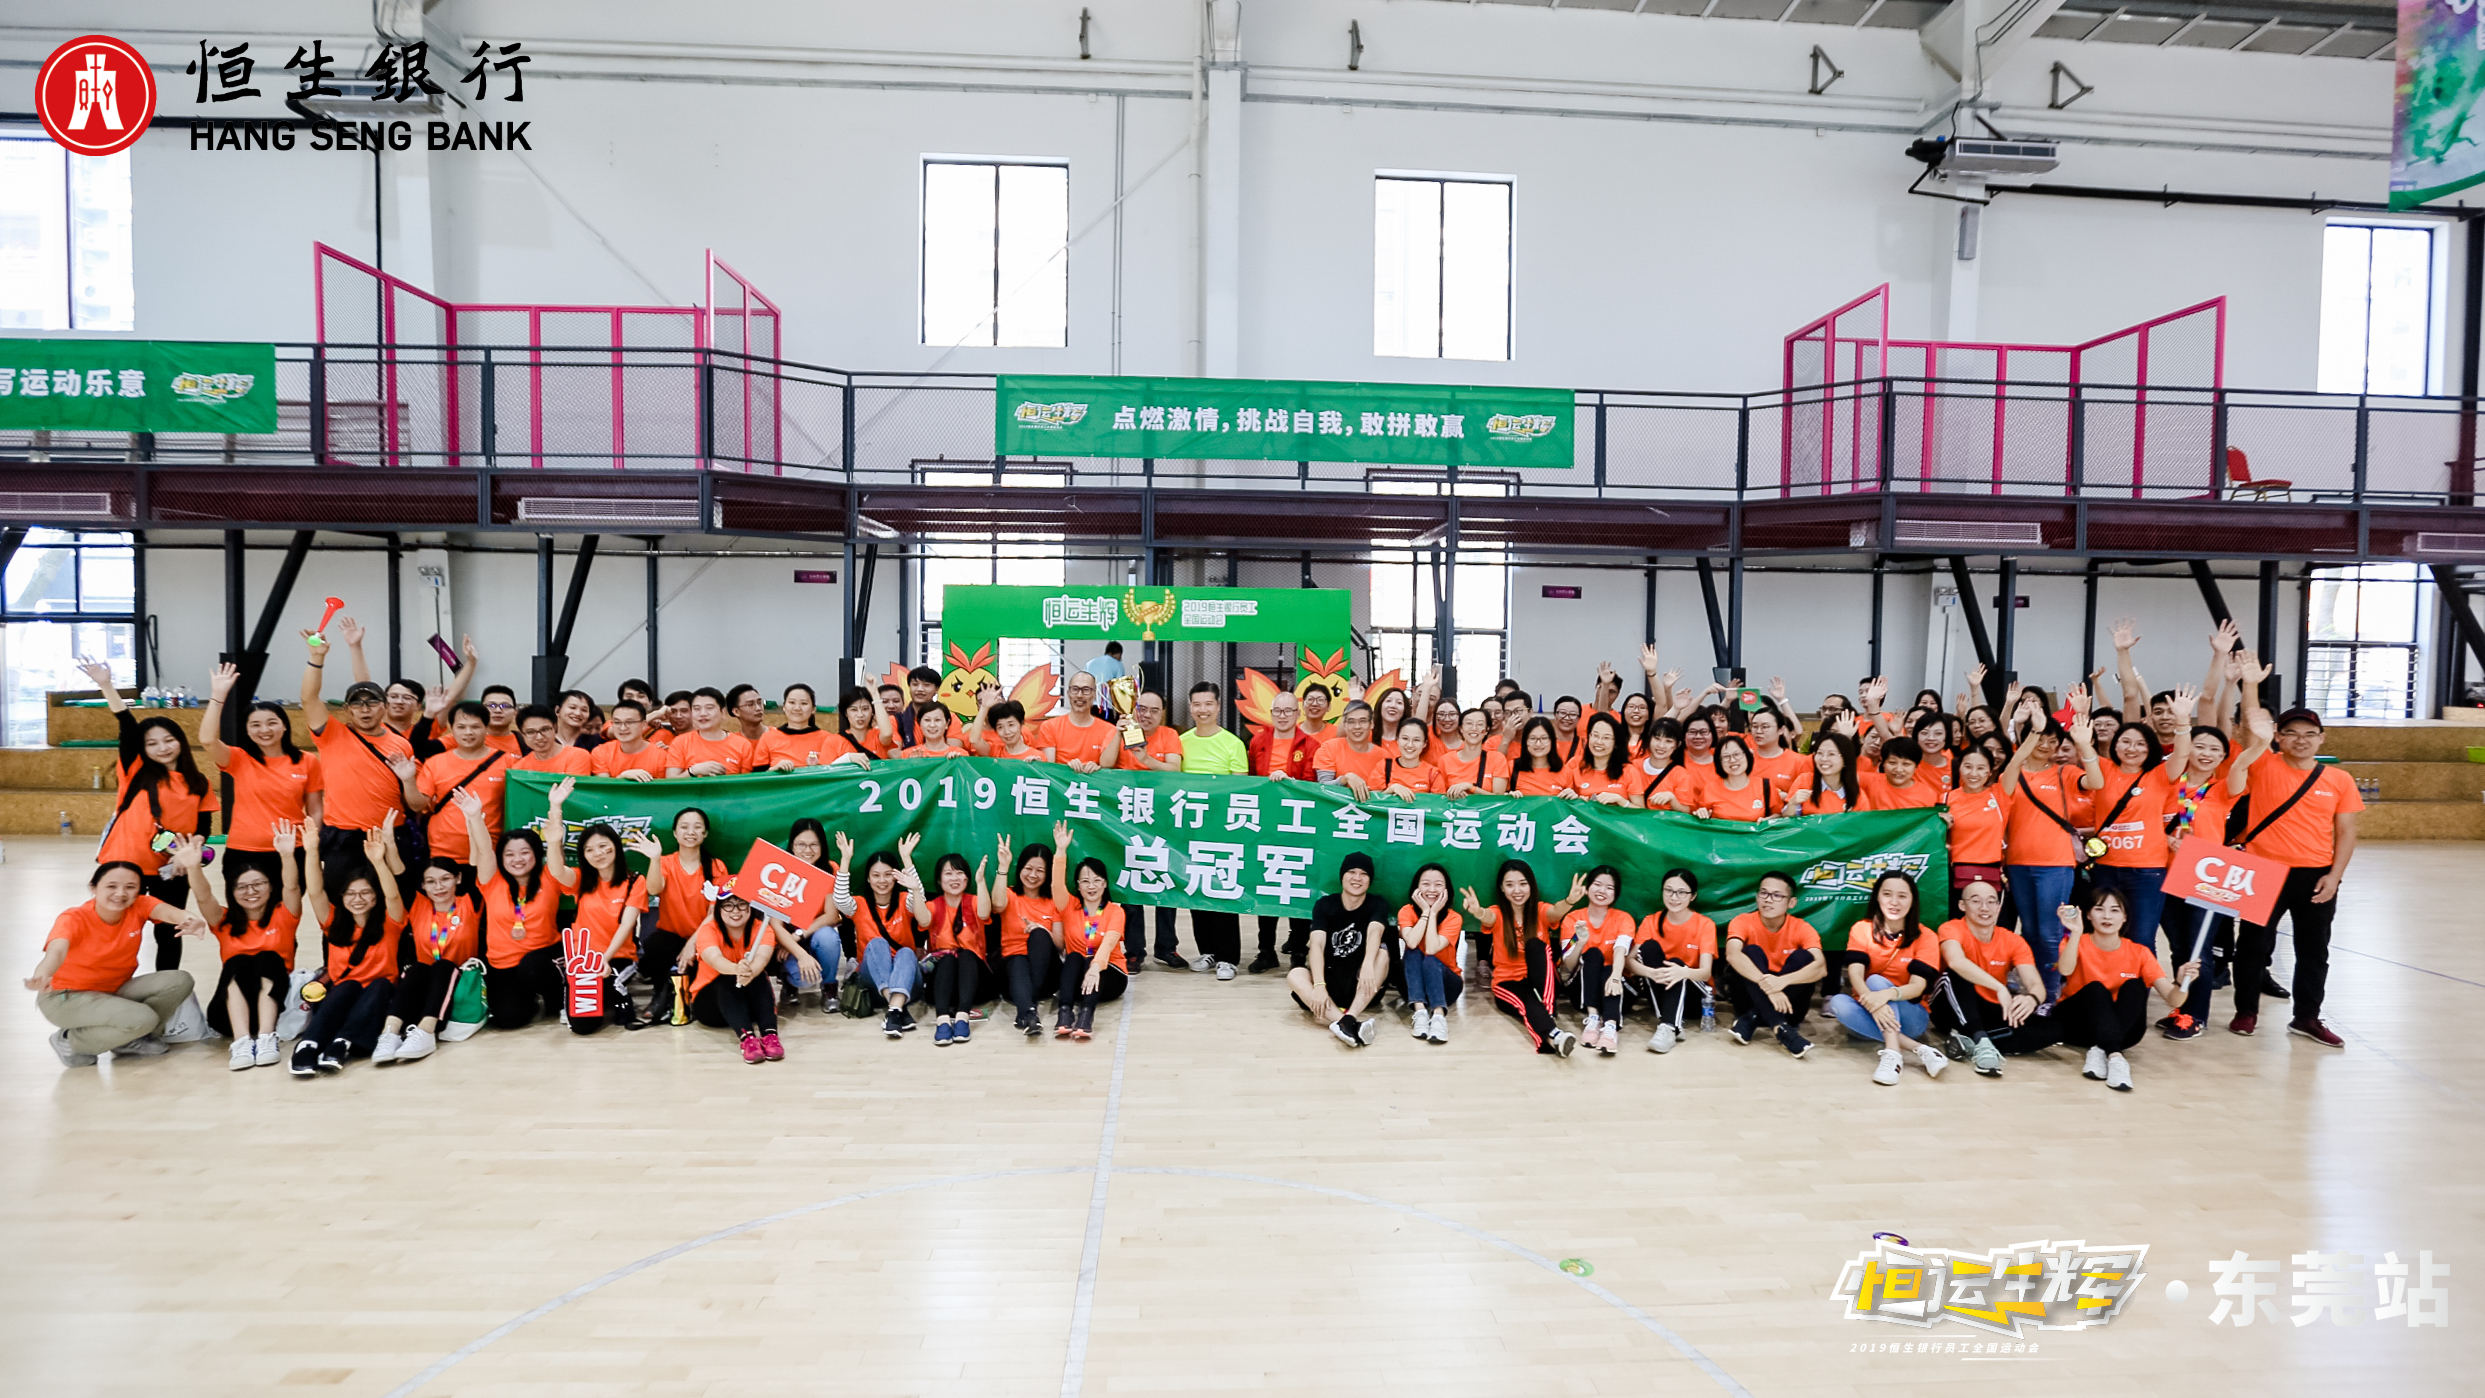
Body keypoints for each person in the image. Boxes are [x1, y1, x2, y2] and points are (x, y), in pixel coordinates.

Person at [2223, 699, 2361, 1046]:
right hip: (2262, 870)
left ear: (2321, 738)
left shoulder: (2340, 780)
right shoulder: (2262, 764)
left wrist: (2334, 876)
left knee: (2314, 950)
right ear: (2278, 737)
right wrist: (2249, 685)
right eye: (2292, 733)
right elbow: (2248, 734)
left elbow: (2346, 832)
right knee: (2252, 946)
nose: (2301, 740)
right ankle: (2246, 1011)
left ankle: (2307, 1017)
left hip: (2314, 875)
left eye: (2310, 734)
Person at [78, 658, 219, 971]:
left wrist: (189, 853)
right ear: (143, 749)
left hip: (172, 869)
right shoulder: (135, 770)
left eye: (169, 740)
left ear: (180, 742)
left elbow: (204, 824)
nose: (162, 748)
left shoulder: (198, 782)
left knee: (169, 931)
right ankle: (104, 983)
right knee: (116, 928)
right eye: (152, 743)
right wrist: (106, 685)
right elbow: (127, 727)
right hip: (125, 864)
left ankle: (167, 986)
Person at [27, 861, 210, 1066]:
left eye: (130, 887)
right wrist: (43, 974)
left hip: (112, 989)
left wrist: (191, 919)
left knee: (179, 980)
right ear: (93, 887)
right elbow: (57, 951)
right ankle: (71, 1041)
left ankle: (130, 1039)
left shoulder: (139, 905)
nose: (121, 893)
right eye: (111, 886)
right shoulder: (73, 918)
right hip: (66, 997)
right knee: (143, 1018)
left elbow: (170, 913)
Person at [299, 625, 423, 889]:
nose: (365, 709)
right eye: (357, 703)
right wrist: (316, 658)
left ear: (385, 707)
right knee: (342, 902)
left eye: (372, 702)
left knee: (394, 903)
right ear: (347, 709)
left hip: (390, 836)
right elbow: (309, 698)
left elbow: (414, 802)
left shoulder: (401, 744)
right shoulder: (331, 734)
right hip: (342, 837)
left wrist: (409, 781)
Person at [1997, 700, 2104, 994]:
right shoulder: (2011, 773)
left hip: (2055, 865)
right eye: (2040, 738)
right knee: (2030, 931)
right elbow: (2006, 788)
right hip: (2018, 864)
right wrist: (2031, 731)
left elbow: (2095, 781)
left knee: (2049, 932)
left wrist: (2085, 746)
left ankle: (2050, 992)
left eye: (2052, 740)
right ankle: (2035, 988)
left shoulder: (2064, 773)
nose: (2046, 745)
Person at [174, 827, 300, 1069]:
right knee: (237, 962)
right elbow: (204, 897)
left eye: (258, 884)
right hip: (228, 1015)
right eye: (241, 887)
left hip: (278, 1005)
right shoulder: (224, 920)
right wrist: (193, 867)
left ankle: (266, 1039)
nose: (250, 892)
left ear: (271, 887)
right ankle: (241, 1043)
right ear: (232, 892)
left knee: (268, 958)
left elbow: (292, 887)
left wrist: (286, 855)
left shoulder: (283, 915)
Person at [200, 661, 325, 904]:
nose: (264, 730)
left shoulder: (307, 761)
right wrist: (217, 696)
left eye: (271, 722)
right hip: (244, 852)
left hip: (292, 851)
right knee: (245, 916)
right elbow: (207, 740)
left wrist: (312, 846)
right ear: (247, 731)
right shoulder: (238, 758)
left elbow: (315, 810)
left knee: (285, 916)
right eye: (255, 725)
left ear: (284, 726)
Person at [2048, 891, 2199, 1091]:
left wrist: (2181, 982)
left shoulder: (2139, 952)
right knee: (2096, 989)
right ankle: (2115, 1056)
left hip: (2122, 1031)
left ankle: (2101, 1050)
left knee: (2135, 986)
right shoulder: (2077, 941)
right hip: (2077, 1024)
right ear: (2089, 914)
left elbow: (2174, 1000)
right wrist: (2075, 931)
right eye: (2099, 909)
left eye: (2114, 910)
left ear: (2125, 917)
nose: (2107, 916)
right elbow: (2066, 970)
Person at [289, 821, 407, 1075]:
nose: (358, 899)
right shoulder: (334, 923)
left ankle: (342, 1043)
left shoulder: (390, 923)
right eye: (351, 894)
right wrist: (312, 851)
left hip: (376, 1002)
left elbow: (394, 896)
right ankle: (308, 1045)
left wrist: (378, 862)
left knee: (380, 984)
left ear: (375, 897)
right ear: (342, 898)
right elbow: (316, 892)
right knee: (348, 986)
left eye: (365, 893)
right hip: (340, 1000)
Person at [542, 781, 659, 1034]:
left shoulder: (634, 881)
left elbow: (626, 925)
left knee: (612, 989)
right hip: (583, 961)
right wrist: (555, 818)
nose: (599, 853)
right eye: (590, 849)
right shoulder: (580, 880)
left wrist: (603, 961)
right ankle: (589, 997)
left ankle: (616, 996)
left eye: (604, 846)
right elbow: (556, 871)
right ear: (583, 855)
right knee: (583, 1026)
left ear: (616, 846)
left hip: (617, 957)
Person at [2089, 685, 2197, 957]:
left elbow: (2182, 753)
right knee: (2104, 936)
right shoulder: (2103, 768)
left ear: (2151, 749)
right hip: (2105, 868)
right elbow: (2084, 748)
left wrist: (2183, 720)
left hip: (2147, 872)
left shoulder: (2161, 774)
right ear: (2114, 744)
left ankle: (2137, 986)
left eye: (2140, 743)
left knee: (2141, 938)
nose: (2132, 748)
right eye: (2125, 741)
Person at [453, 786, 564, 1031]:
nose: (518, 859)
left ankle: (556, 995)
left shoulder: (550, 876)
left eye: (525, 852)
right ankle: (529, 1000)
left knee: (533, 968)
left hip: (542, 958)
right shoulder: (492, 881)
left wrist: (555, 807)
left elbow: (556, 843)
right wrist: (474, 817)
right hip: (504, 964)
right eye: (510, 854)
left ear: (537, 854)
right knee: (508, 1020)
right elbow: (484, 850)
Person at [1825, 872, 1950, 1085]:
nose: (1894, 902)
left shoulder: (1926, 936)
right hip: (1867, 1016)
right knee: (1838, 1002)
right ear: (1877, 897)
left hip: (1911, 1018)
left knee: (1876, 981)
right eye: (1887, 894)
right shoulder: (1861, 929)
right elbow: (1855, 974)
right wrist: (1873, 1004)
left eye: (1902, 896)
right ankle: (1920, 1049)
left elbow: (1918, 986)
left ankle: (1892, 1055)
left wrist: (1885, 995)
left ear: (1912, 900)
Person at [2155, 722, 2235, 1040]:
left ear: (2223, 757)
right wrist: (2165, 839)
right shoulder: (2167, 783)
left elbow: (2245, 763)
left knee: (2198, 949)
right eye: (2200, 746)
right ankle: (2181, 1008)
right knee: (2178, 947)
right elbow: (2147, 821)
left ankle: (2196, 1016)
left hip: (2205, 879)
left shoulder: (2224, 789)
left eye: (2215, 749)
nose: (2206, 753)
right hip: (2165, 874)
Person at [1464, 860, 1585, 1057]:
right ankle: (1554, 1035)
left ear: (1531, 885)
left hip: (1541, 981)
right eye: (1510, 885)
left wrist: (1570, 901)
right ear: (1502, 888)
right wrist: (1477, 911)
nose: (1517, 890)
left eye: (1522, 883)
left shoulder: (1540, 910)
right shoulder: (1498, 913)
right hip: (1509, 982)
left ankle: (1549, 1018)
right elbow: (1487, 917)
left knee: (1536, 945)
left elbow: (1555, 912)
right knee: (1527, 1000)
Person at [1929, 879, 2045, 1075]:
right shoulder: (1951, 928)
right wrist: (1999, 987)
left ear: (1999, 907)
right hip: (1949, 1005)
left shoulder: (2013, 940)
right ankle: (1982, 1042)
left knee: (2053, 1028)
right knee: (1956, 975)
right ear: (1962, 905)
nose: (1985, 908)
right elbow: (1956, 962)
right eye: (1976, 901)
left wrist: (2032, 999)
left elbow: (2036, 984)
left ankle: (1971, 1041)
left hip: (1987, 1009)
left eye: (1991, 901)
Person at [378, 853, 482, 1064]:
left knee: (443, 966)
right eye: (431, 881)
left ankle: (427, 1031)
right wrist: (383, 852)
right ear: (423, 885)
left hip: (460, 986)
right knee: (417, 968)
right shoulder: (419, 905)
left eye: (445, 879)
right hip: (425, 988)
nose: (439, 887)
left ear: (458, 878)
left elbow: (480, 861)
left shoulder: (469, 902)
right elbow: (399, 879)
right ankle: (390, 1033)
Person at [1179, 682, 1249, 979]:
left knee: (1223, 890)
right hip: (1191, 829)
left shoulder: (1233, 744)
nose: (1202, 710)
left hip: (1222, 831)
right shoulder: (1181, 742)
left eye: (1208, 704)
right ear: (1190, 706)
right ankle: (1207, 950)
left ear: (1218, 706)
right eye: (1197, 704)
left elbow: (1241, 790)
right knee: (1196, 888)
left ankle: (1228, 958)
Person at [1115, 691, 1188, 969]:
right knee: (1130, 884)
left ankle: (1167, 948)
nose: (1146, 715)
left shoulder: (1169, 735)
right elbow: (1106, 764)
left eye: (1154, 710)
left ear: (1162, 714)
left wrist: (1147, 759)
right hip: (1126, 819)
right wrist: (1117, 733)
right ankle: (1134, 951)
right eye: (1141, 709)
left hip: (1162, 819)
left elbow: (1175, 769)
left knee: (1166, 881)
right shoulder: (1123, 732)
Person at [1289, 851, 1392, 1047]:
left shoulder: (1377, 904)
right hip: (1328, 983)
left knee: (1382, 955)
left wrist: (1368, 964)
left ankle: (1346, 1017)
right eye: (1351, 872)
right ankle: (1347, 1023)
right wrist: (1319, 984)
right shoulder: (1325, 905)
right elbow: (1317, 944)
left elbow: (1375, 932)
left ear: (1370, 880)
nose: (1357, 878)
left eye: (1363, 874)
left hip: (1362, 984)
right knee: (1295, 974)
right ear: (1342, 876)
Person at [1246, 689, 1317, 974]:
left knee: (1297, 888)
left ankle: (1299, 951)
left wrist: (1289, 783)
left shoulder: (1309, 744)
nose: (1283, 716)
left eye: (1288, 711)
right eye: (1278, 711)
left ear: (1298, 714)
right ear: (1271, 713)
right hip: (1265, 826)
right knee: (1266, 887)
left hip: (1297, 827)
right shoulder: (1258, 741)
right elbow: (1251, 779)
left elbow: (1312, 785)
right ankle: (1266, 951)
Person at [1720, 871, 1823, 1057]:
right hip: (1749, 999)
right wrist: (1770, 988)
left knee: (1804, 957)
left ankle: (1753, 1017)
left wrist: (1782, 982)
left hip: (1788, 1007)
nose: (1768, 899)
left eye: (1777, 895)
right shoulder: (1742, 921)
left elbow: (1820, 967)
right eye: (1763, 893)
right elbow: (1732, 955)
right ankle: (1781, 1028)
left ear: (1791, 902)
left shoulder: (1802, 928)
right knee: (1751, 952)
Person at [836, 831, 925, 1038]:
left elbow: (918, 896)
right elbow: (840, 900)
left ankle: (894, 1009)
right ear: (868, 879)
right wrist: (845, 860)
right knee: (876, 944)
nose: (882, 880)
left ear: (896, 877)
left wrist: (907, 859)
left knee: (906, 952)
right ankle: (896, 1008)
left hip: (908, 982)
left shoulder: (904, 901)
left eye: (888, 874)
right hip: (875, 986)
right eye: (876, 875)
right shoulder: (859, 905)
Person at [1049, 819, 1131, 1039]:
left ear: (1105, 884)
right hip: (1078, 977)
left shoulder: (1115, 911)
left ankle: (1086, 1016)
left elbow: (1109, 943)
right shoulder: (1069, 906)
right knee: (1075, 957)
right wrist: (1060, 851)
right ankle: (1065, 1013)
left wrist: (1095, 967)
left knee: (1092, 962)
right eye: (1085, 881)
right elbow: (1056, 885)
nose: (1091, 886)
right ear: (1078, 886)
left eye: (1097, 880)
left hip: (1109, 975)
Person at [646, 808, 727, 1025]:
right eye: (684, 827)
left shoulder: (717, 866)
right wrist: (654, 859)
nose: (691, 832)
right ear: (675, 833)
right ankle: (660, 995)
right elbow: (653, 889)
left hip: (704, 939)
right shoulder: (666, 863)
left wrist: (693, 944)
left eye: (697, 827)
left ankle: (688, 997)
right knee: (655, 945)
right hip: (670, 938)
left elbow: (715, 912)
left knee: (707, 1002)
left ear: (705, 833)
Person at [1626, 868, 1716, 1054]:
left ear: (1693, 896)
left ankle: (1668, 1025)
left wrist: (1683, 972)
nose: (1674, 897)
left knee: (1676, 963)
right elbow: (1629, 961)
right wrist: (1651, 973)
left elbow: (1705, 972)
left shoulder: (1705, 924)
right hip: (1659, 990)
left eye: (1682, 892)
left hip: (1693, 997)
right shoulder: (1651, 921)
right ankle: (1673, 1023)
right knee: (1649, 947)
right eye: (1669, 890)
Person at [688, 888, 782, 1063]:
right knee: (727, 977)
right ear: (719, 908)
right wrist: (737, 969)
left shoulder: (762, 928)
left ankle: (770, 1035)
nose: (736, 911)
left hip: (748, 1005)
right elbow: (715, 960)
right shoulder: (708, 930)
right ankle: (747, 1038)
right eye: (728, 906)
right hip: (711, 1007)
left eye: (741, 905)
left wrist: (750, 972)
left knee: (760, 976)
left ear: (750, 907)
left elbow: (762, 958)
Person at [414, 701, 507, 872]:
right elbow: (417, 805)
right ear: (451, 728)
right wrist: (407, 779)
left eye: (475, 727)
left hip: (489, 853)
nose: (468, 732)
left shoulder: (508, 762)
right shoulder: (435, 763)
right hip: (443, 853)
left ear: (486, 728)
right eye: (461, 727)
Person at [914, 851, 992, 1046]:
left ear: (967, 878)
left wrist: (981, 881)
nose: (954, 878)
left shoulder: (974, 901)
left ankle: (962, 1019)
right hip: (943, 986)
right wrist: (915, 889)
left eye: (959, 873)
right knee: (948, 958)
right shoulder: (933, 906)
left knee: (965, 954)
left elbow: (984, 913)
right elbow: (923, 920)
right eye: (948, 873)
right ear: (939, 880)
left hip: (976, 985)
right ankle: (942, 1022)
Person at [1557, 865, 1635, 1055]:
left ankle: (1610, 1027)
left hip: (1616, 990)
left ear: (1616, 893)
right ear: (1587, 888)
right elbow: (1568, 964)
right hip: (1582, 994)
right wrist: (1580, 942)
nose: (1602, 891)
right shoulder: (1572, 919)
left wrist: (1615, 976)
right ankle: (1592, 1020)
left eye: (1609, 887)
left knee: (1609, 969)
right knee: (1593, 954)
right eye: (1597, 884)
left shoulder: (1624, 919)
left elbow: (1620, 951)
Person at [992, 835, 1064, 1037]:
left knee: (1039, 935)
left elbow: (1060, 945)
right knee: (1017, 960)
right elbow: (997, 905)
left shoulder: (1053, 902)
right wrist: (1003, 865)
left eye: (1040, 870)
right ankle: (1029, 1012)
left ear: (1047, 874)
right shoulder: (1010, 895)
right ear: (1020, 869)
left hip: (1046, 978)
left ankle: (1026, 1009)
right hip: (1012, 978)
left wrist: (1041, 929)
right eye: (1028, 868)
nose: (1033, 875)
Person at [773, 818, 843, 1006]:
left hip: (811, 933)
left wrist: (798, 935)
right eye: (801, 844)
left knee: (828, 937)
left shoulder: (831, 869)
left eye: (814, 844)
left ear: (822, 846)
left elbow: (831, 916)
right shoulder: (780, 870)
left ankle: (829, 987)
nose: (808, 850)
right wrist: (797, 951)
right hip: (785, 938)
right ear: (792, 846)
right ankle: (788, 981)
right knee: (805, 978)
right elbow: (775, 925)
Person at [1397, 862, 1462, 1044]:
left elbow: (1432, 949)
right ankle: (1420, 1013)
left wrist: (1433, 914)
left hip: (1447, 984)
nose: (1432, 890)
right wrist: (1426, 912)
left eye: (1438, 884)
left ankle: (1439, 1016)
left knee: (1429, 959)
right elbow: (1411, 941)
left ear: (1447, 890)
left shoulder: (1454, 918)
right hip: (1415, 984)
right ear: (1416, 888)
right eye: (1425, 884)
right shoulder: (1406, 911)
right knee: (1412, 952)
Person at [1941, 747, 2008, 917]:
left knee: (1987, 922)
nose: (1973, 773)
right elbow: (1937, 840)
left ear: (1990, 771)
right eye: (1968, 766)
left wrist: (2035, 733)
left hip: (1991, 872)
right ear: (1959, 767)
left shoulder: (1999, 794)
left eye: (1981, 768)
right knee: (1957, 924)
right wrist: (1941, 827)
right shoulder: (1946, 799)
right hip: (1956, 875)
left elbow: (2017, 762)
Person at [757, 683, 855, 770]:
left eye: (803, 703)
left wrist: (819, 768)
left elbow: (845, 772)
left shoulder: (830, 740)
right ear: (784, 707)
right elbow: (756, 778)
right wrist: (773, 770)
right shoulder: (768, 738)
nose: (797, 708)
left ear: (813, 709)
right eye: (792, 702)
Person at [1042, 670, 1123, 771]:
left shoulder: (1110, 731)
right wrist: (1067, 769)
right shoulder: (1049, 727)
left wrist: (1099, 770)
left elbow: (1110, 769)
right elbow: (1048, 770)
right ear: (1068, 693)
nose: (1079, 695)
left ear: (1094, 695)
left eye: (1086, 690)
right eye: (1075, 689)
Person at [671, 687, 755, 775]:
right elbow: (671, 781)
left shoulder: (742, 745)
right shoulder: (680, 743)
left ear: (723, 712)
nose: (703, 713)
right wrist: (693, 771)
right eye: (697, 709)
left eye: (709, 708)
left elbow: (748, 781)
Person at [1314, 700, 1389, 798]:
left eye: (1363, 721)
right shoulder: (1329, 748)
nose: (1357, 726)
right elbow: (1323, 788)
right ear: (1344, 725)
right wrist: (1345, 779)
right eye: (1351, 721)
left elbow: (1384, 795)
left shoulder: (1384, 757)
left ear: (1371, 724)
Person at [589, 698, 674, 780]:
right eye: (617, 722)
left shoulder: (661, 756)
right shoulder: (601, 752)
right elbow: (604, 787)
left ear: (644, 725)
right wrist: (623, 777)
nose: (622, 728)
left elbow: (661, 788)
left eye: (629, 722)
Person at [1783, 728, 1858, 816]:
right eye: (1820, 753)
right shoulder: (1805, 781)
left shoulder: (1856, 794)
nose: (1824, 759)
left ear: (1846, 760)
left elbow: (1862, 823)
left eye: (1831, 754)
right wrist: (1792, 804)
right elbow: (1786, 820)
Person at [1569, 714, 1639, 806]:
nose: (1599, 742)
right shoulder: (1575, 764)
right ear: (1589, 737)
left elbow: (1642, 811)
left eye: (1606, 738)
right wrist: (1576, 800)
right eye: (1595, 735)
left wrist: (1621, 801)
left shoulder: (1629, 771)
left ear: (1616, 743)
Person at [1695, 735, 1769, 821]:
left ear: (1747, 755)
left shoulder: (1765, 786)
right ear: (1719, 762)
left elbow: (1778, 815)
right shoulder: (1709, 790)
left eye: (1737, 754)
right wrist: (1701, 813)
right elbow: (1700, 819)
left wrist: (1768, 820)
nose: (1732, 760)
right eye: (1726, 756)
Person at [1858, 737, 1940, 811]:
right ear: (1883, 763)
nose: (1899, 769)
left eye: (1906, 764)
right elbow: (1849, 776)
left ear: (1916, 766)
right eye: (1892, 762)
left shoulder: (1927, 794)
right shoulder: (1869, 781)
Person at [1636, 718, 1700, 813]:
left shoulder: (1681, 775)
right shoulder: (1633, 767)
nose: (1661, 746)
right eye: (1657, 739)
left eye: (1668, 741)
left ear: (1678, 744)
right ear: (1649, 739)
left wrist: (1672, 799)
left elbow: (1686, 811)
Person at [1378, 717, 1444, 798]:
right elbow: (1372, 802)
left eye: (1416, 740)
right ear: (1397, 740)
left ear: (1424, 744)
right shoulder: (1383, 767)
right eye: (1405, 738)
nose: (1410, 745)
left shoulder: (1433, 774)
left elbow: (1439, 803)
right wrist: (1392, 789)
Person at [1506, 717, 1572, 798]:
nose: (1538, 744)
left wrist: (1572, 797)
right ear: (1525, 741)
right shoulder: (1511, 768)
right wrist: (1507, 797)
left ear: (1552, 741)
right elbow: (1498, 800)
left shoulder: (1566, 772)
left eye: (1544, 738)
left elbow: (1571, 804)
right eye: (1532, 738)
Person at [895, 701, 968, 759]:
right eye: (927, 720)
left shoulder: (960, 754)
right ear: (920, 724)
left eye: (937, 720)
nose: (932, 725)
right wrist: (912, 765)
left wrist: (957, 762)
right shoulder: (908, 754)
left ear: (947, 724)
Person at [478, 684, 524, 753]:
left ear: (515, 713)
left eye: (505, 706)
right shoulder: (469, 740)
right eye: (491, 705)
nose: (498, 710)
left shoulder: (527, 743)